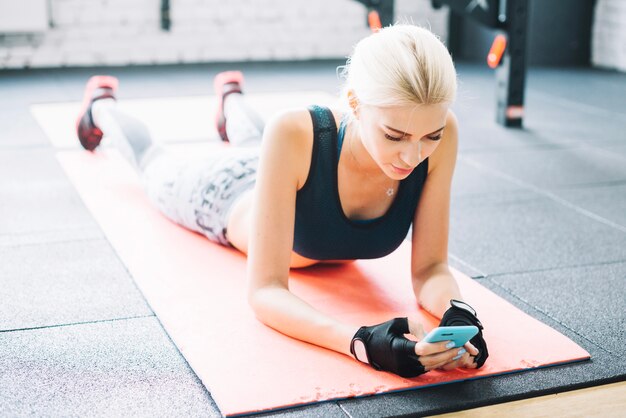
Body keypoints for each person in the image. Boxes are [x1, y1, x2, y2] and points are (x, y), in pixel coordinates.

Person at [76, 24, 488, 378]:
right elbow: (265, 292)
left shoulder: (442, 131)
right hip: (225, 193)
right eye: (395, 136)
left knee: (257, 144)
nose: (412, 156)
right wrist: (360, 342)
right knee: (153, 163)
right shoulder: (294, 131)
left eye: (428, 137)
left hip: (279, 167)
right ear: (355, 105)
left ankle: (231, 102)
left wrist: (459, 313)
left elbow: (431, 269)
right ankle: (101, 108)